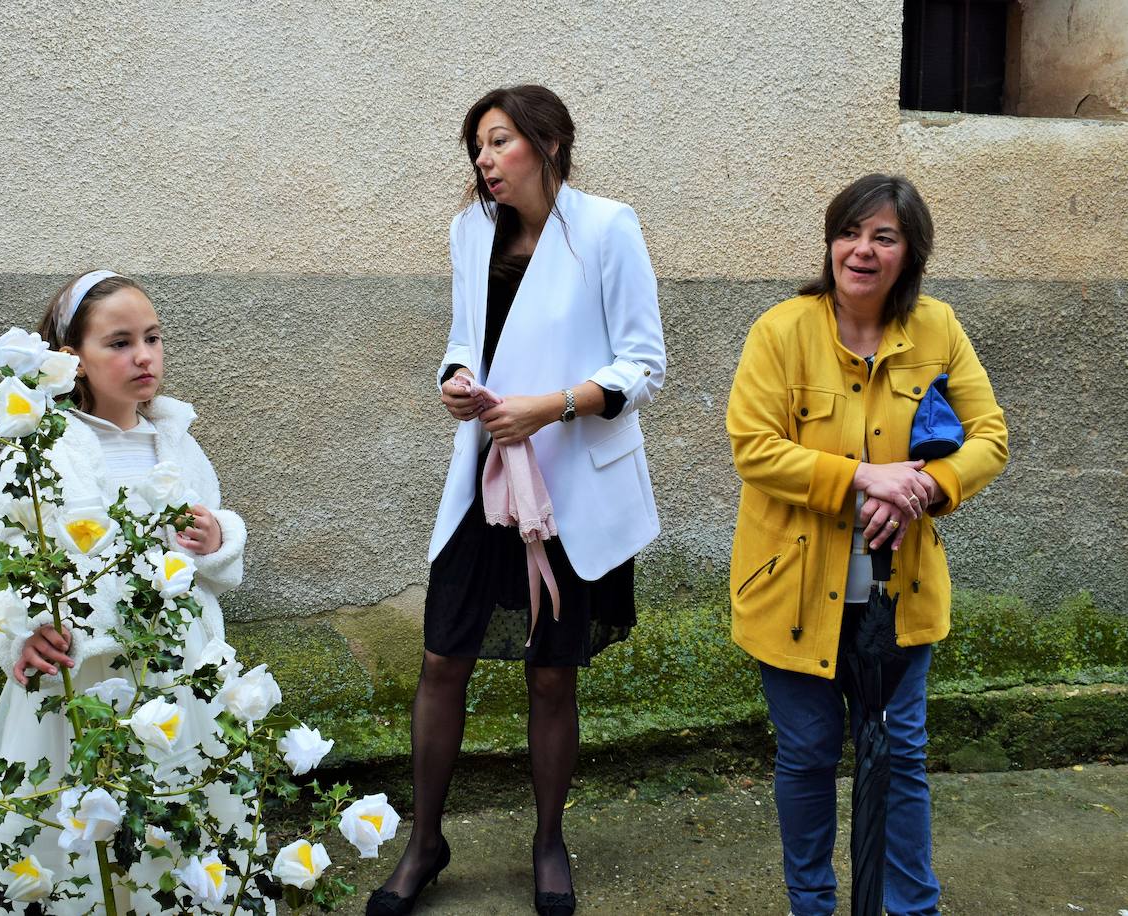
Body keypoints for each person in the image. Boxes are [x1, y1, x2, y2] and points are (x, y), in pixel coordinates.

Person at [368, 86, 666, 916]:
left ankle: (547, 840)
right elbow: (466, 337)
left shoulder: (607, 226)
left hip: (568, 484)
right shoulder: (472, 232)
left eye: (498, 142)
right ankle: (425, 841)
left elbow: (645, 365)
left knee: (550, 676)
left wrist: (554, 405)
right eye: (476, 146)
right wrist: (456, 380)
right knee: (441, 658)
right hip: (486, 477)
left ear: (549, 143)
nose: (483, 160)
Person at [725, 174, 1008, 916]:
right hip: (791, 595)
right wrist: (862, 477)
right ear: (830, 243)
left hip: (899, 596)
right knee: (809, 758)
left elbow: (990, 439)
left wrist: (924, 488)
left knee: (902, 760)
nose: (863, 249)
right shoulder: (782, 331)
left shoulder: (938, 329)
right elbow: (753, 449)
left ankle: (912, 909)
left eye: (884, 236)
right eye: (851, 232)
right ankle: (812, 906)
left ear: (908, 253)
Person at [0, 270, 262, 913]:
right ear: (72, 358)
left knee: (174, 815)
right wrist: (24, 629)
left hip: (176, 675)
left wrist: (217, 537)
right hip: (85, 678)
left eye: (153, 339)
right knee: (77, 832)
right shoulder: (40, 449)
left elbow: (210, 550)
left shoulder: (176, 443)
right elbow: (0, 559)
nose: (144, 356)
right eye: (120, 342)